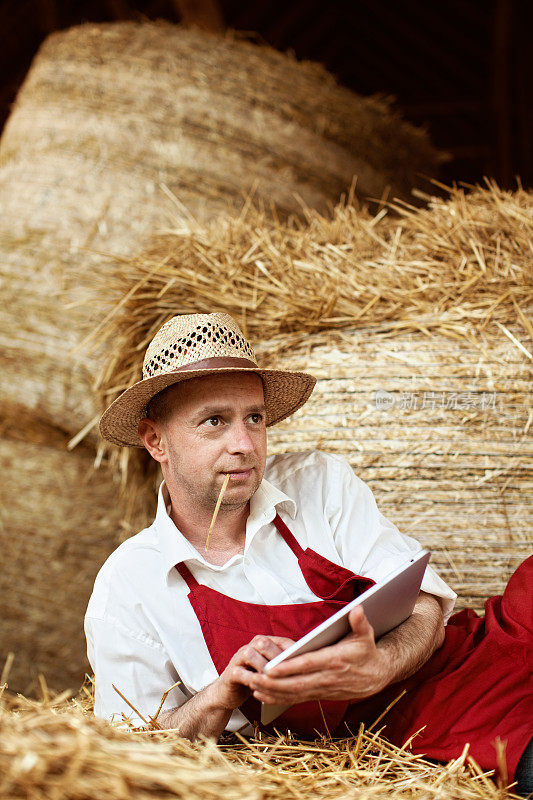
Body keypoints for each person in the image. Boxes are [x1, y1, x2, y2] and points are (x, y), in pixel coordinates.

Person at [86, 312, 532, 792]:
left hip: (473, 660)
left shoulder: (318, 484)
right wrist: (218, 698)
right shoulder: (130, 586)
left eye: (253, 418)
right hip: (432, 728)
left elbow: (423, 600)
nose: (244, 444)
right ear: (156, 440)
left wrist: (381, 663)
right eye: (214, 421)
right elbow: (128, 751)